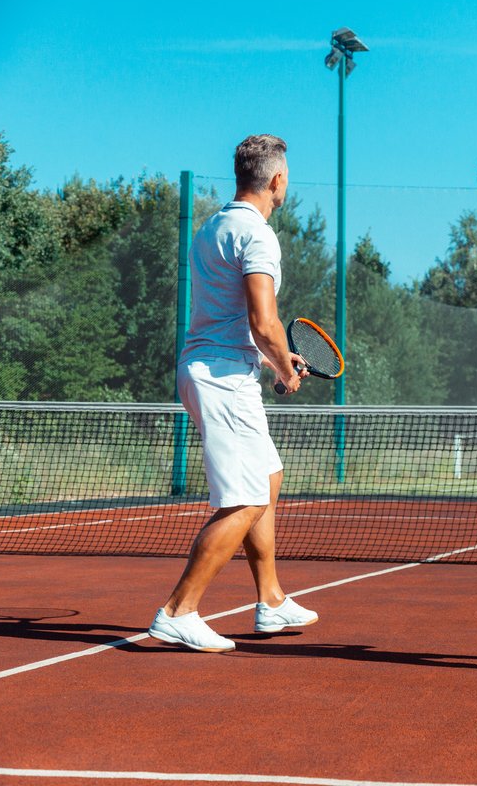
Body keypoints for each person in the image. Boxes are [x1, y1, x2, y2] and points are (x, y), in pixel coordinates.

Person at [148, 134, 318, 652]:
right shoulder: (258, 235)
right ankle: (179, 611)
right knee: (243, 500)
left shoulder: (210, 228)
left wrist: (272, 358)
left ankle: (270, 600)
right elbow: (262, 320)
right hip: (222, 376)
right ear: (277, 180)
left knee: (267, 477)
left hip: (218, 370)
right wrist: (284, 365)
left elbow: (245, 322)